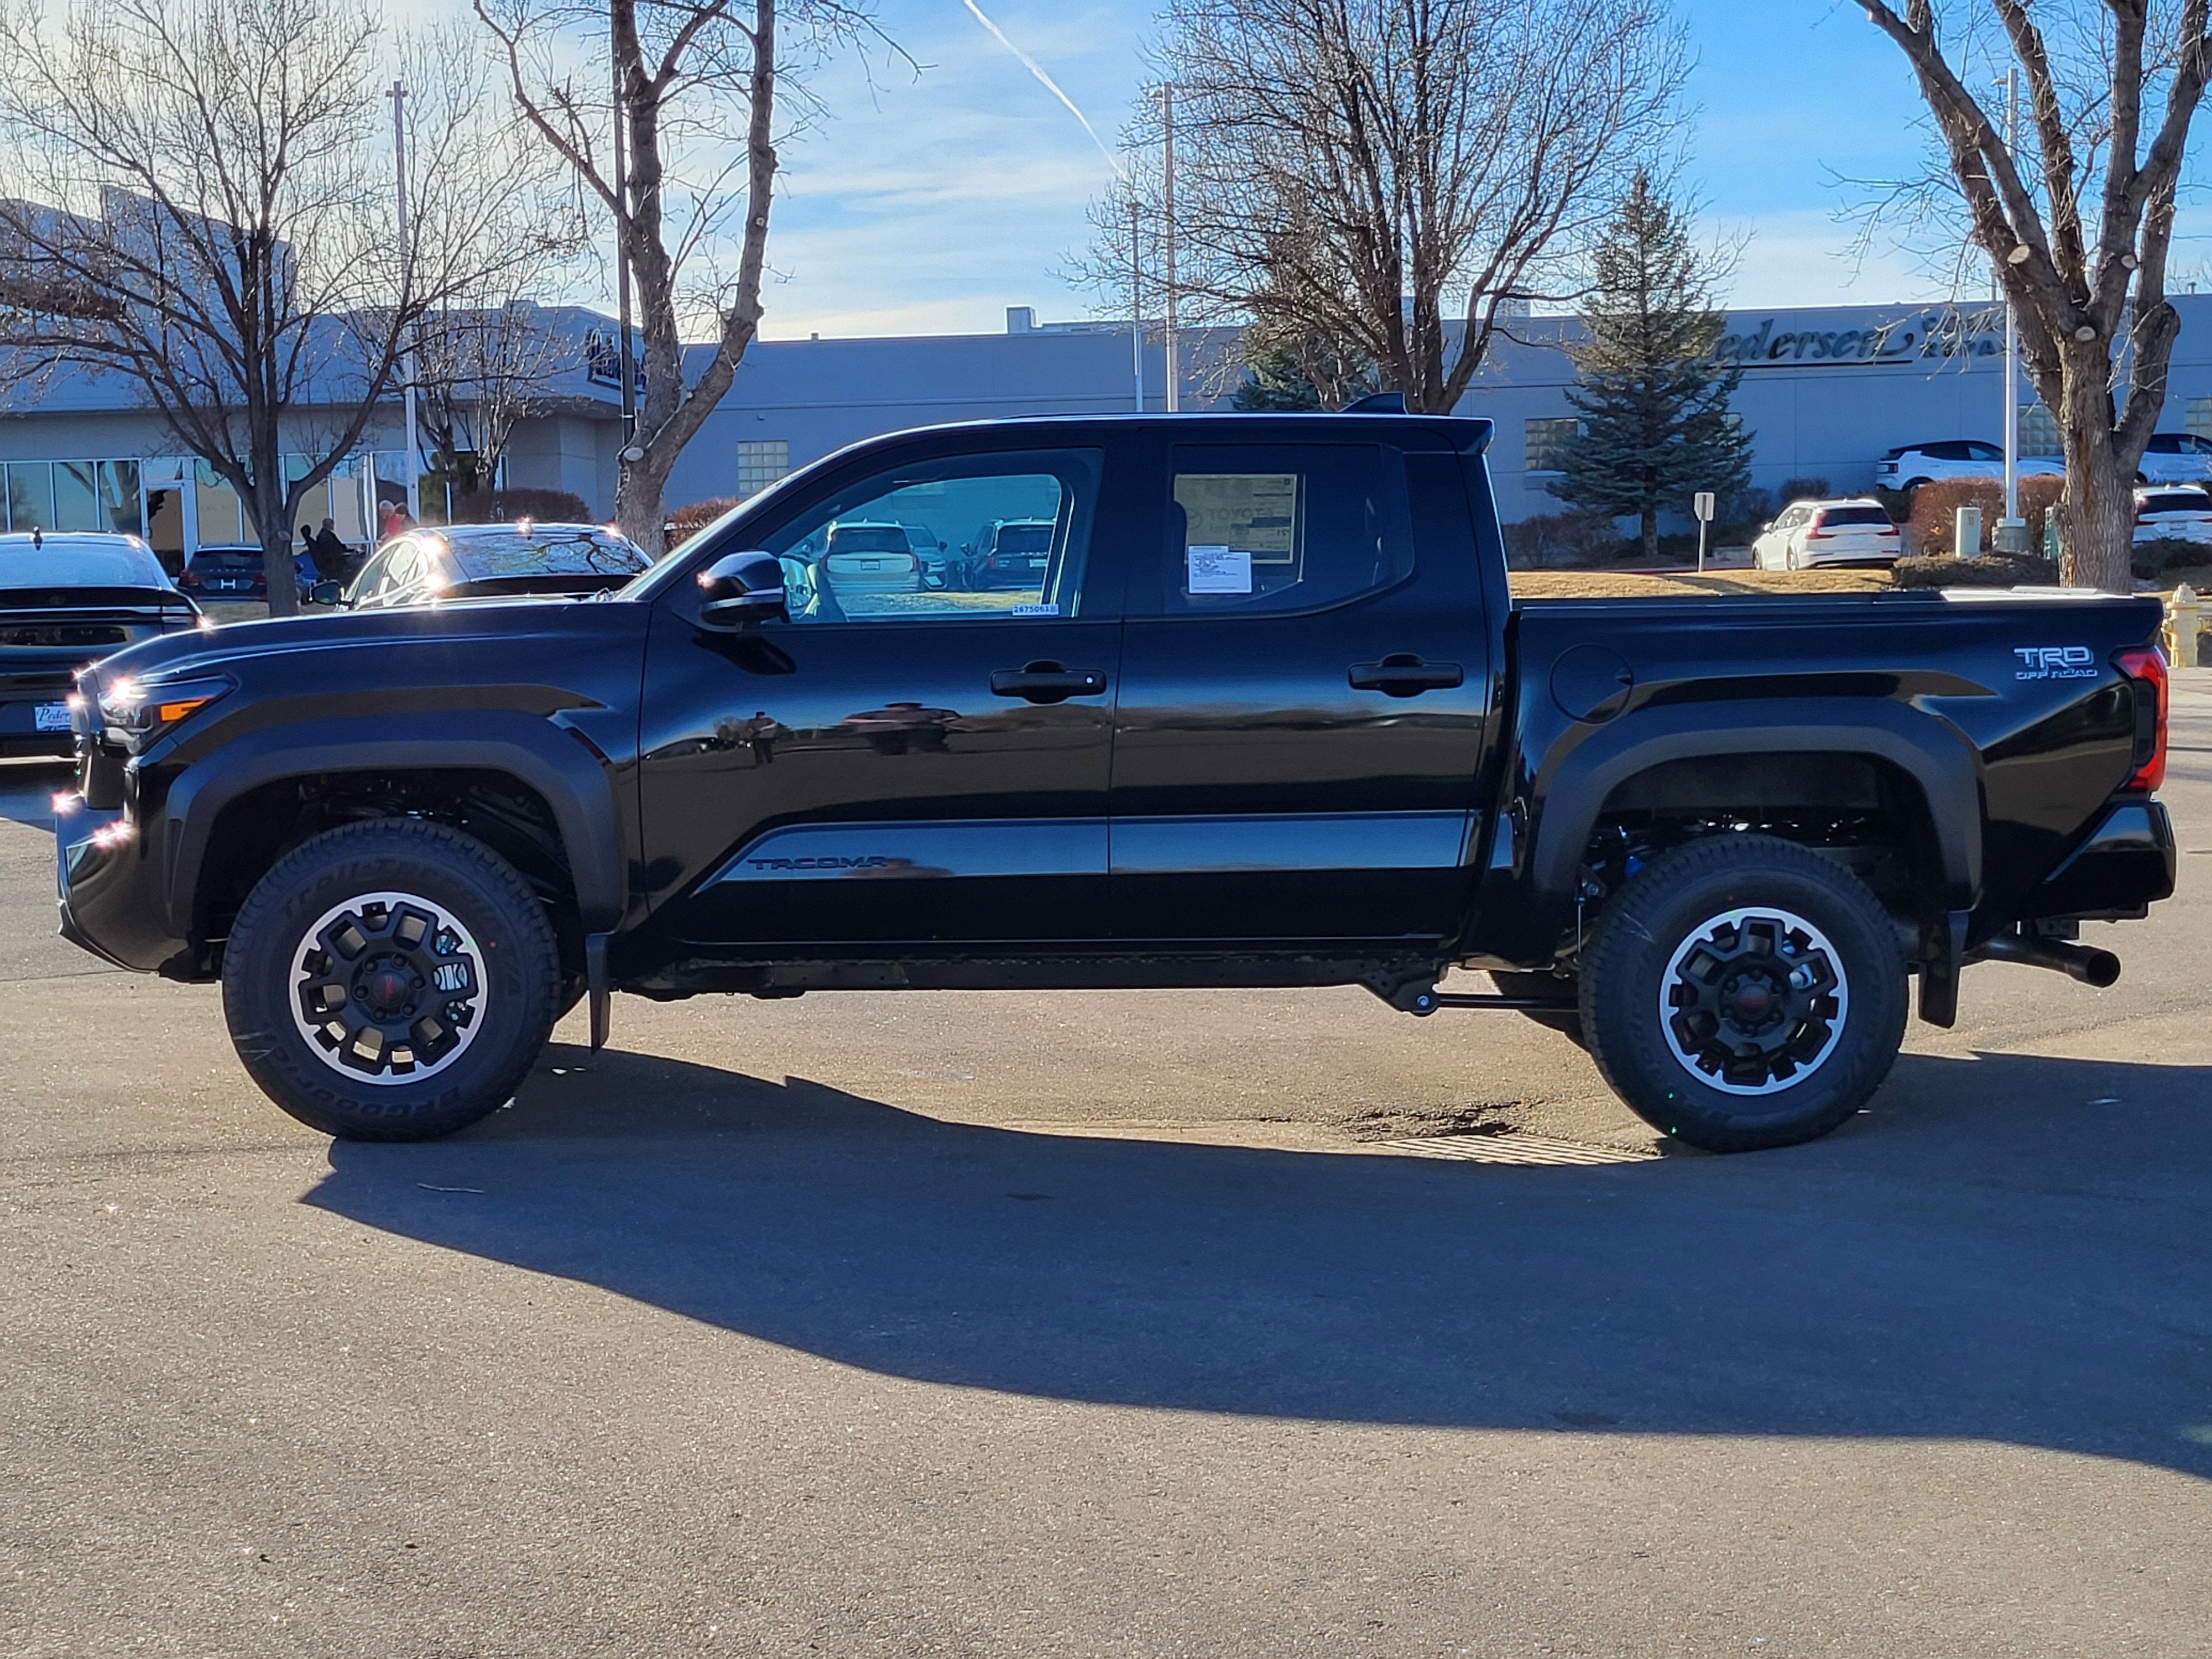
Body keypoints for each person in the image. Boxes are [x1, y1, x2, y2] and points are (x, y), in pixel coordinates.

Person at [309, 518, 352, 583]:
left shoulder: (326, 535)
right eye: (331, 524)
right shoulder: (325, 536)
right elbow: (331, 550)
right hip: (334, 563)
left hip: (335, 561)